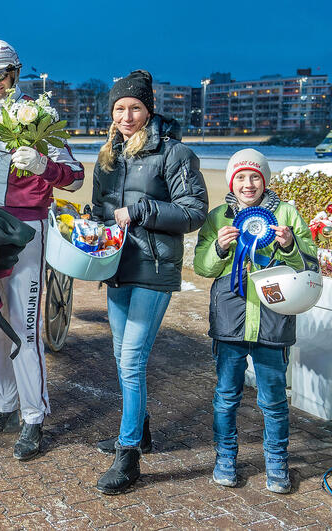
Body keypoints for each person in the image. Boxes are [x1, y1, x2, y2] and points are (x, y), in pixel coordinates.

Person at [0, 39, 85, 461]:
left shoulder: (40, 112)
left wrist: (43, 167)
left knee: (25, 325)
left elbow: (76, 177)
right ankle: (3, 405)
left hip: (25, 229)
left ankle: (33, 416)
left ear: (15, 73)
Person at [91, 70, 208, 494]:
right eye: (119, 108)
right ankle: (140, 431)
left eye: (134, 108)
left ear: (149, 109)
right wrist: (87, 227)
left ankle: (129, 455)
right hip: (117, 267)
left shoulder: (174, 153)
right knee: (122, 357)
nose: (126, 115)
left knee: (131, 361)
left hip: (154, 269)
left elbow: (194, 211)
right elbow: (100, 209)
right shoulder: (108, 156)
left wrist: (141, 210)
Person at [194, 149, 316, 493]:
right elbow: (203, 268)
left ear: (265, 179)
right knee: (226, 396)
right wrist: (217, 248)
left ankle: (277, 462)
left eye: (255, 176)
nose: (248, 184)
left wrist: (291, 245)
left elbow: (310, 264)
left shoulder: (287, 213)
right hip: (230, 322)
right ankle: (225, 458)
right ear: (232, 180)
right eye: (241, 177)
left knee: (274, 399)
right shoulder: (219, 216)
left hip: (274, 322)